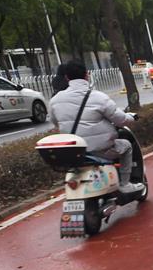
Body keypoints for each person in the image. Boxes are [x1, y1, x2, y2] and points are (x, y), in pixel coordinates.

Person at [49, 60, 142, 194]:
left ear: (67, 77)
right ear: (87, 75)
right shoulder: (99, 97)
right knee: (126, 146)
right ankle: (125, 184)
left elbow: (55, 122)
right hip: (99, 150)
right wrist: (132, 117)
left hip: (74, 152)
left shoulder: (55, 100)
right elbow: (120, 119)